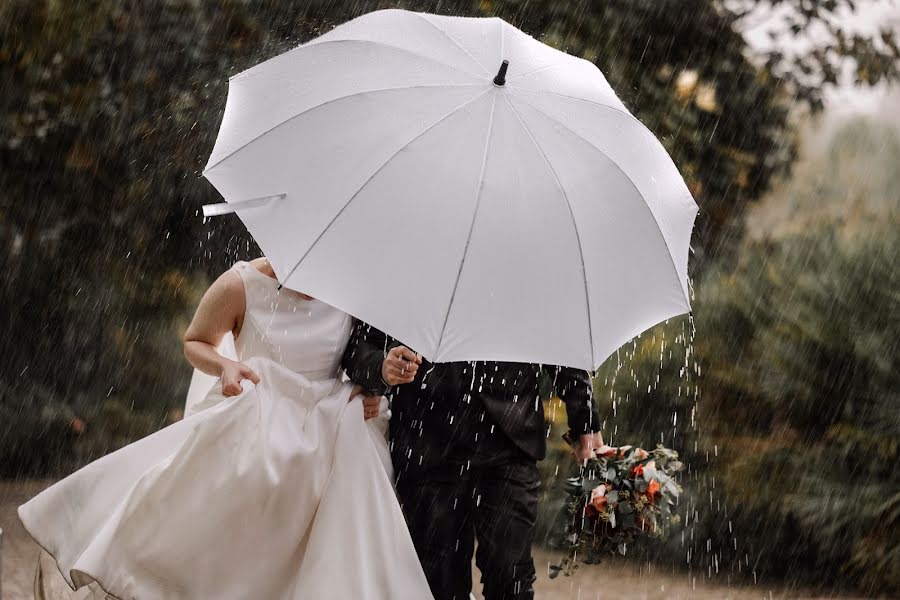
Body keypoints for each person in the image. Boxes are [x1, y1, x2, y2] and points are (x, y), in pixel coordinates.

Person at [19, 258, 434, 600]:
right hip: (258, 417)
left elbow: (359, 355)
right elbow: (195, 341)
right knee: (227, 542)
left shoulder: (348, 289)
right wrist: (227, 365)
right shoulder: (241, 284)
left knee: (345, 547)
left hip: (330, 425)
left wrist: (373, 381)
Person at [342, 323, 604, 600]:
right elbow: (359, 346)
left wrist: (585, 419)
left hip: (509, 442)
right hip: (427, 444)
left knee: (511, 579)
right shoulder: (401, 279)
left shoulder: (532, 281)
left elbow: (556, 335)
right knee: (438, 584)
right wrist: (382, 368)